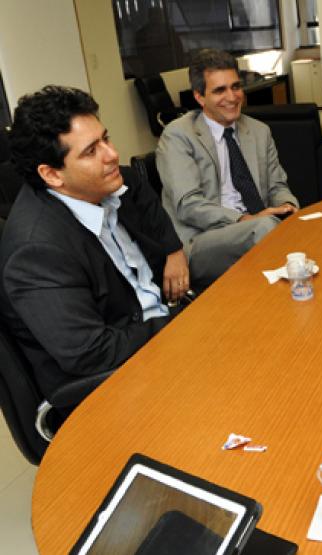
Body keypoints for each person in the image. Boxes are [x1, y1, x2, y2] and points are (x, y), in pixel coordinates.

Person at [0, 86, 189, 408]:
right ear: (52, 175)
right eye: (91, 151)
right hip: (114, 385)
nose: (112, 154)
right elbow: (90, 354)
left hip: (158, 336)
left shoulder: (106, 187)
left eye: (106, 138)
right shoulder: (37, 251)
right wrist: (176, 327)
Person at [157, 48, 299, 289]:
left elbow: (277, 185)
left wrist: (289, 207)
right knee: (266, 229)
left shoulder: (259, 131)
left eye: (235, 87)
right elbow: (189, 205)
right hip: (201, 240)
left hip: (259, 227)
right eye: (219, 90)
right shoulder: (178, 136)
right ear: (200, 97)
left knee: (301, 226)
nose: (232, 97)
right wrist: (245, 219)